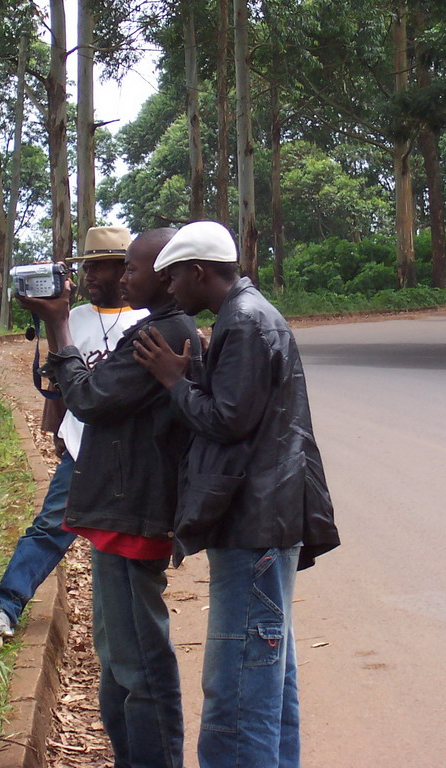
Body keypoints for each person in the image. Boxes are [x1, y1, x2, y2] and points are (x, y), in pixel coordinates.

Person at [132, 220, 341, 768]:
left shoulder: (245, 323)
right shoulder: (248, 316)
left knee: (238, 692)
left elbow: (228, 419)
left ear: (199, 272)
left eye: (173, 277)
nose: (170, 290)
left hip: (255, 528)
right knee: (268, 686)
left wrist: (174, 381)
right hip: (265, 523)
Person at [17, 228, 197, 768]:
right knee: (118, 658)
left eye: (130, 269)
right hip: (119, 510)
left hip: (133, 513)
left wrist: (56, 324)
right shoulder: (154, 329)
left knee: (140, 661)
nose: (121, 279)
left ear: (165, 276)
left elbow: (92, 399)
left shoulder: (160, 335)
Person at [0, 226, 148, 644]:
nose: (88, 276)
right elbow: (58, 376)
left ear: (123, 269)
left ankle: (127, 628)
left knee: (129, 542)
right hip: (84, 449)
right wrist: (54, 429)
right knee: (52, 526)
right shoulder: (70, 318)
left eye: (98, 268)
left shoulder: (146, 318)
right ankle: (3, 605)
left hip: (135, 452)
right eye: (85, 267)